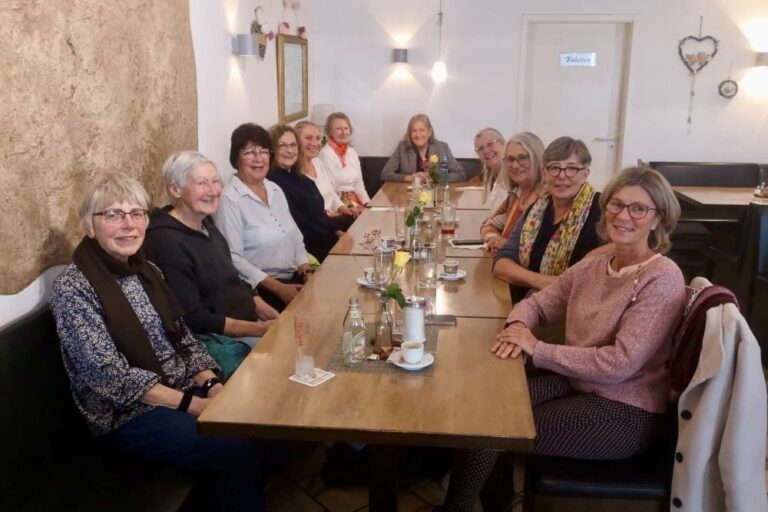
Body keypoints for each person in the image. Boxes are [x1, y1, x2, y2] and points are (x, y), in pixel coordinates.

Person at [440, 166, 687, 511]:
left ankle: (457, 508)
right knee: (484, 412)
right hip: (577, 383)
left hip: (626, 411)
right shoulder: (594, 266)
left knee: (494, 431)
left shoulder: (662, 278)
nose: (624, 216)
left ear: (658, 219)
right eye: (616, 204)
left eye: (639, 208)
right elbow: (539, 303)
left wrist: (538, 349)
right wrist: (517, 327)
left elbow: (619, 363)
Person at [48, 173, 272, 511]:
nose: (128, 225)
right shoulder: (73, 289)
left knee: (260, 420)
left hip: (181, 388)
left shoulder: (148, 270)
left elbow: (184, 338)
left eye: (137, 213)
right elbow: (109, 377)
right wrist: (195, 405)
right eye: (113, 214)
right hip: (127, 414)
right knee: (233, 444)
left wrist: (211, 384)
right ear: (89, 224)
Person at [143, 151, 277, 375]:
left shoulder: (205, 223)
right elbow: (193, 318)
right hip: (219, 341)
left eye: (216, 181)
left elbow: (235, 280)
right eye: (202, 183)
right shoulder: (165, 240)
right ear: (175, 189)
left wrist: (274, 316)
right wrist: (260, 329)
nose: (214, 191)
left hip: (248, 323)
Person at [493, 136, 607, 303]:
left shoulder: (603, 209)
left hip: (572, 311)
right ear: (544, 173)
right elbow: (501, 263)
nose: (562, 176)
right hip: (527, 304)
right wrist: (542, 281)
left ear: (585, 174)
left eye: (572, 169)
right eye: (554, 168)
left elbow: (631, 248)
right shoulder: (536, 210)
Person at [216, 123, 313, 312]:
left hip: (294, 278)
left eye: (264, 152)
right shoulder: (230, 199)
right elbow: (233, 258)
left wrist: (306, 271)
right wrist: (279, 289)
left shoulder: (274, 189)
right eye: (249, 152)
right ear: (236, 158)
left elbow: (295, 236)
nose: (258, 159)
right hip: (260, 290)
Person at [267, 124, 342, 262]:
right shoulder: (273, 182)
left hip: (326, 240)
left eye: (293, 145)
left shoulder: (301, 178)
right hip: (309, 252)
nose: (289, 150)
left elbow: (319, 213)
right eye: (282, 145)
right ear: (271, 150)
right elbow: (299, 225)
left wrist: (337, 232)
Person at [480, 132, 546, 253]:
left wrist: (509, 245)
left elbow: (544, 250)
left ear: (537, 158)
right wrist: (493, 238)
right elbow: (489, 225)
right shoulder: (516, 194)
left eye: (522, 158)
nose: (515, 165)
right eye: (510, 159)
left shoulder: (547, 199)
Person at [295, 120, 358, 231]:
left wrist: (343, 208)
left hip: (333, 217)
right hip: (317, 225)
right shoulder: (295, 172)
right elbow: (304, 213)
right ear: (296, 141)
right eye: (308, 138)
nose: (314, 143)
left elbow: (331, 193)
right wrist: (326, 216)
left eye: (318, 138)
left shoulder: (317, 162)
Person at [380, 113, 465, 183]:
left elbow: (460, 174)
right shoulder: (402, 147)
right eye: (414, 131)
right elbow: (385, 174)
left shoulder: (442, 147)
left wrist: (434, 177)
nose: (418, 135)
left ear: (429, 132)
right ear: (410, 133)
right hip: (409, 197)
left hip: (436, 197)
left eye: (422, 130)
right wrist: (412, 178)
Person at [317, 112, 370, 208]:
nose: (344, 132)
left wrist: (368, 204)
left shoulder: (352, 152)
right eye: (338, 129)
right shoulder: (325, 154)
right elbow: (330, 191)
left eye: (346, 128)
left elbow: (359, 186)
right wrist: (352, 206)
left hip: (355, 201)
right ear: (330, 132)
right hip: (339, 205)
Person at [473, 128, 508, 212]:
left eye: (490, 144)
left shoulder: (514, 176)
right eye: (480, 149)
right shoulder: (497, 177)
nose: (485, 151)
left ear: (503, 143)